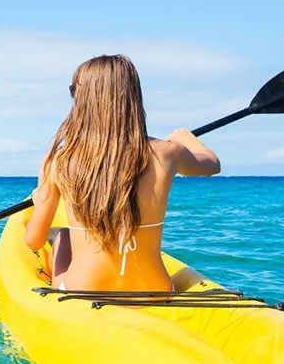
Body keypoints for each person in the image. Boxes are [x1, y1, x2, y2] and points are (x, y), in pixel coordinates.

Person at [24, 54, 220, 292]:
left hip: (82, 291)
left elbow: (33, 240)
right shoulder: (169, 153)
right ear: (133, 97)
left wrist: (39, 199)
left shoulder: (59, 159)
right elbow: (211, 165)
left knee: (64, 237)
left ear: (83, 99)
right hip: (156, 291)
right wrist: (189, 140)